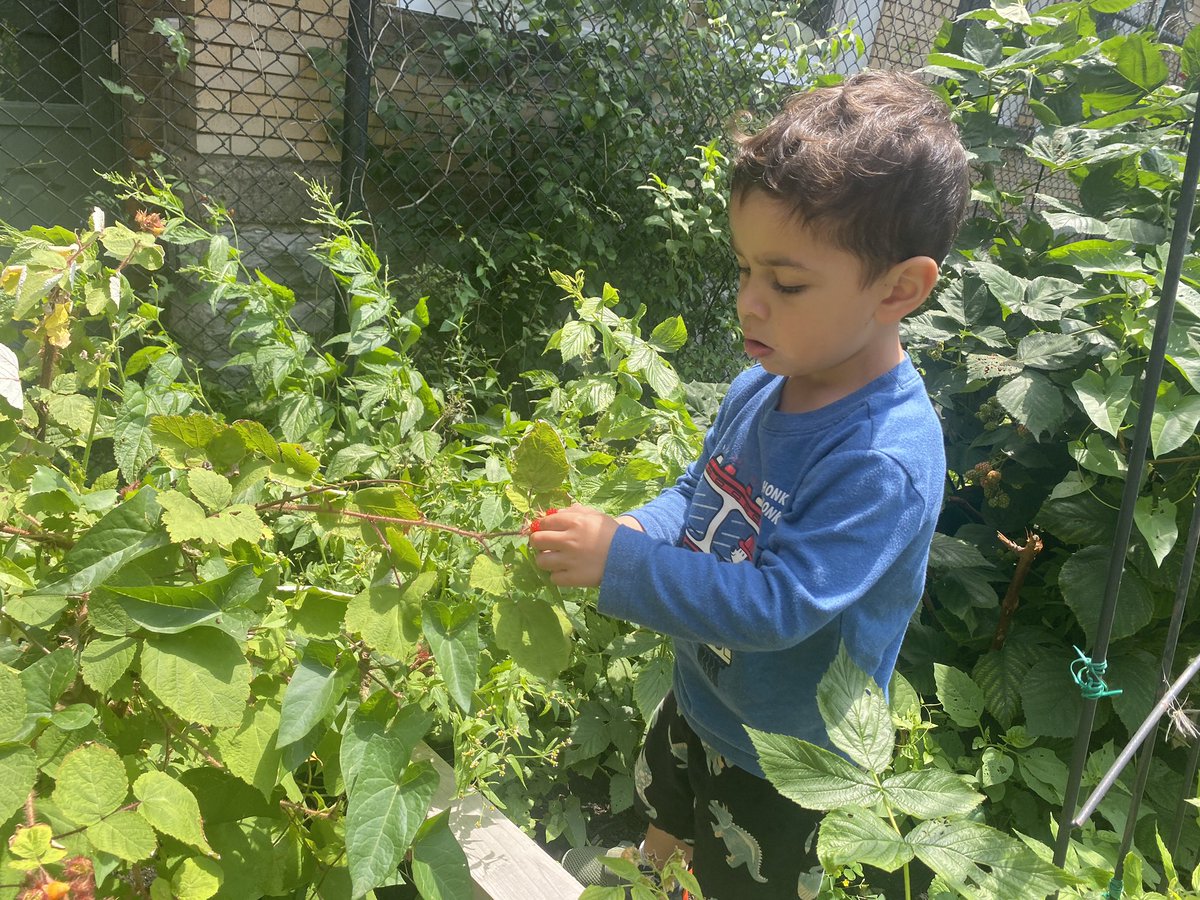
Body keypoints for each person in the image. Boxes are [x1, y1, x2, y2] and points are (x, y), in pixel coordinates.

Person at [529, 70, 970, 900]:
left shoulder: (882, 458)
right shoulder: (761, 385)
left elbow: (778, 608)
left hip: (788, 755)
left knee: (746, 876)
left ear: (899, 288)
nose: (749, 304)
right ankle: (651, 877)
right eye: (744, 270)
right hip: (705, 692)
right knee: (670, 803)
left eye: (786, 283)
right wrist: (636, 532)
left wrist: (623, 567)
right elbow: (700, 491)